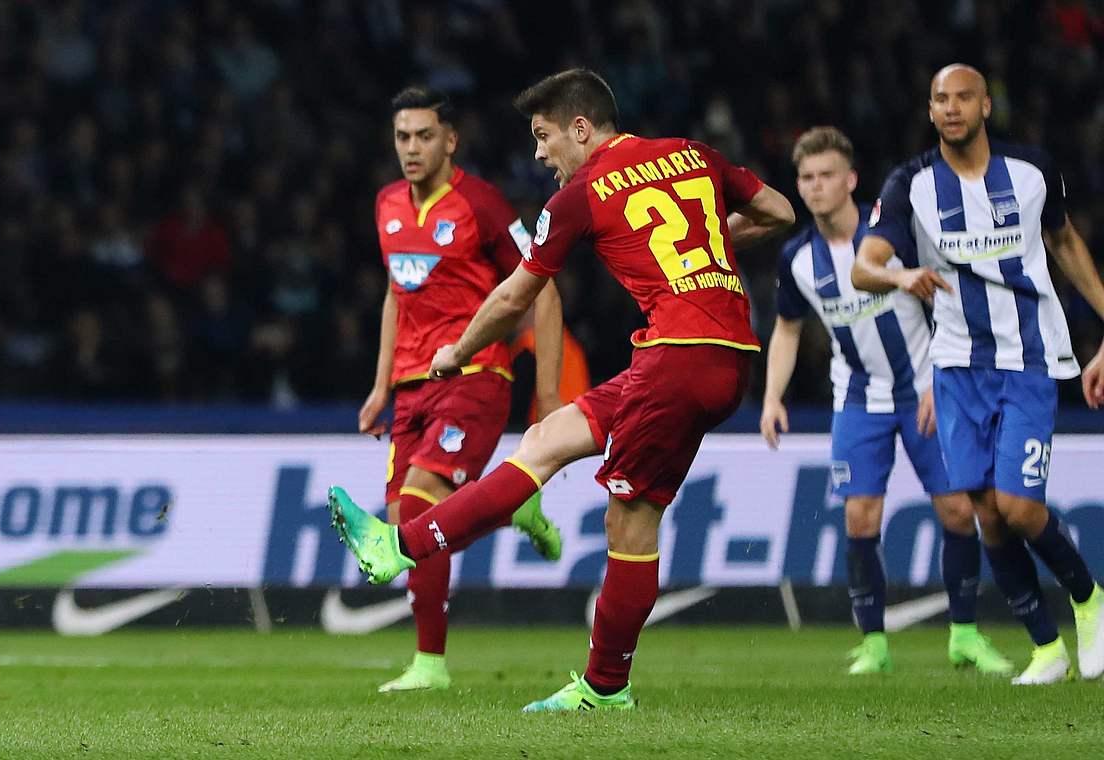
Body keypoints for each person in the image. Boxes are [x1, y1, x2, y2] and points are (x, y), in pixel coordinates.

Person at [330, 69, 795, 710]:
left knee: (630, 522)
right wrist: (708, 244)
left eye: (545, 137)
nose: (540, 153)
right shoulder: (693, 154)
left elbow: (518, 294)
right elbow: (779, 210)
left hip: (676, 358)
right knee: (547, 440)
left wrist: (459, 351)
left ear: (581, 127)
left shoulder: (579, 194)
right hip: (725, 353)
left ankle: (602, 687)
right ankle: (404, 544)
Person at [852, 64, 1104, 685]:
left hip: (1029, 356)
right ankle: (1046, 648)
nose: (953, 107)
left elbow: (1064, 242)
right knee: (985, 511)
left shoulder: (1033, 171)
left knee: (1018, 505)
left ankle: (1089, 598)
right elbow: (864, 267)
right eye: (941, 98)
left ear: (987, 105)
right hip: (958, 366)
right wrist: (899, 276)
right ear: (930, 110)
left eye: (965, 96)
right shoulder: (910, 184)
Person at [763, 126, 1011, 675]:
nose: (816, 186)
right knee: (859, 517)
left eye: (828, 175)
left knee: (957, 508)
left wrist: (942, 380)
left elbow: (950, 298)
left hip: (925, 388)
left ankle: (965, 635)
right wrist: (772, 397)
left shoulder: (894, 233)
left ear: (851, 180)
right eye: (806, 177)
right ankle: (874, 645)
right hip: (857, 397)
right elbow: (786, 328)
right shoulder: (797, 258)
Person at [357, 86, 565, 693]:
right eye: (403, 137)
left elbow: (543, 289)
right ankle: (510, 505)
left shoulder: (482, 204)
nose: (412, 148)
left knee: (420, 506)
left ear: (451, 141)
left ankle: (430, 666)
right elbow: (398, 294)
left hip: (474, 375)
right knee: (404, 526)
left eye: (424, 136)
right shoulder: (387, 204)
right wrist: (379, 385)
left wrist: (547, 396)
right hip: (408, 387)